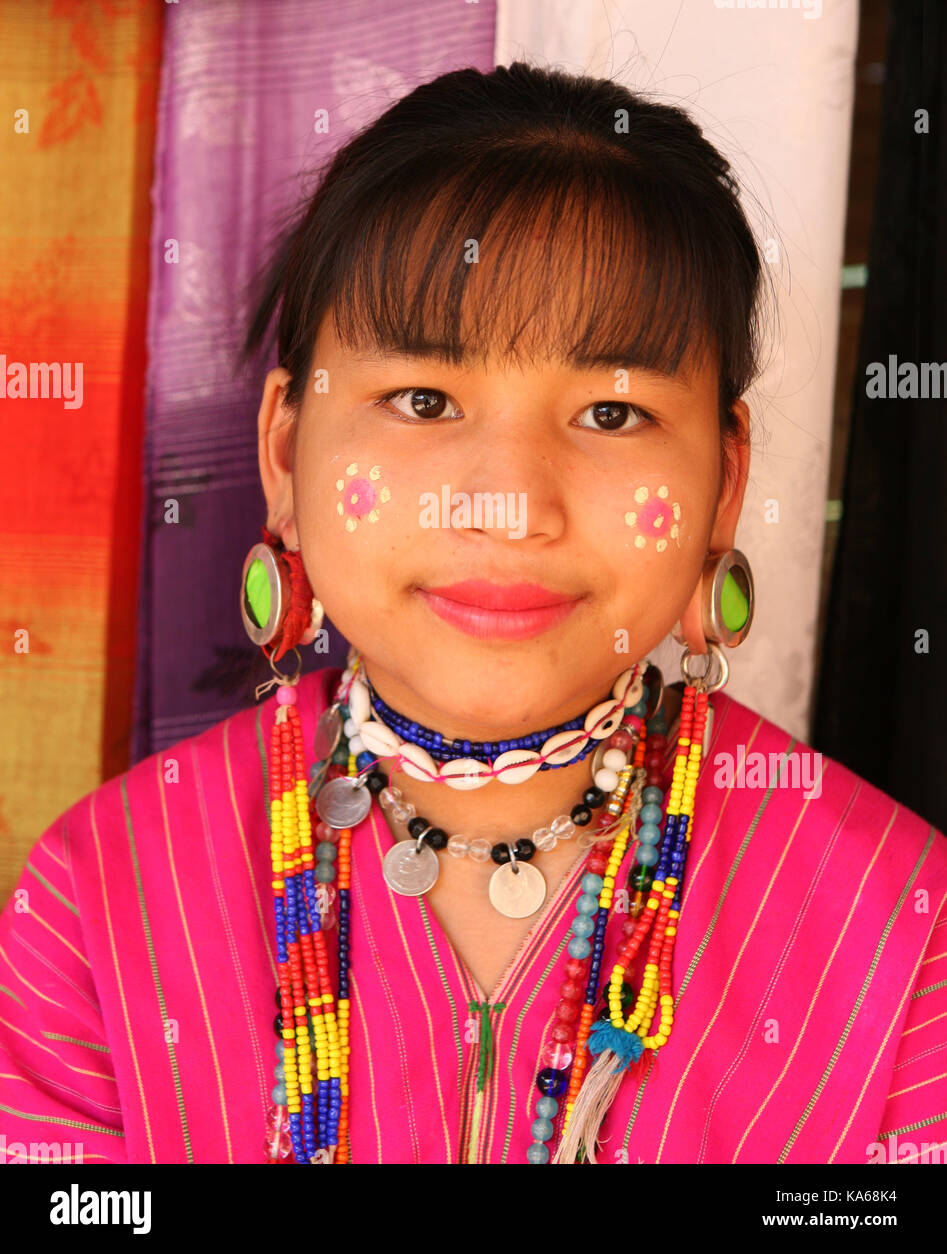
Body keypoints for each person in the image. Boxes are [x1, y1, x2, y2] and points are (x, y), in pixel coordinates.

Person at [1, 63, 945, 1166]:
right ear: (283, 455)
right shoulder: (99, 900)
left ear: (721, 486)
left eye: (610, 409)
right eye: (422, 401)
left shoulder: (900, 929)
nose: (510, 505)